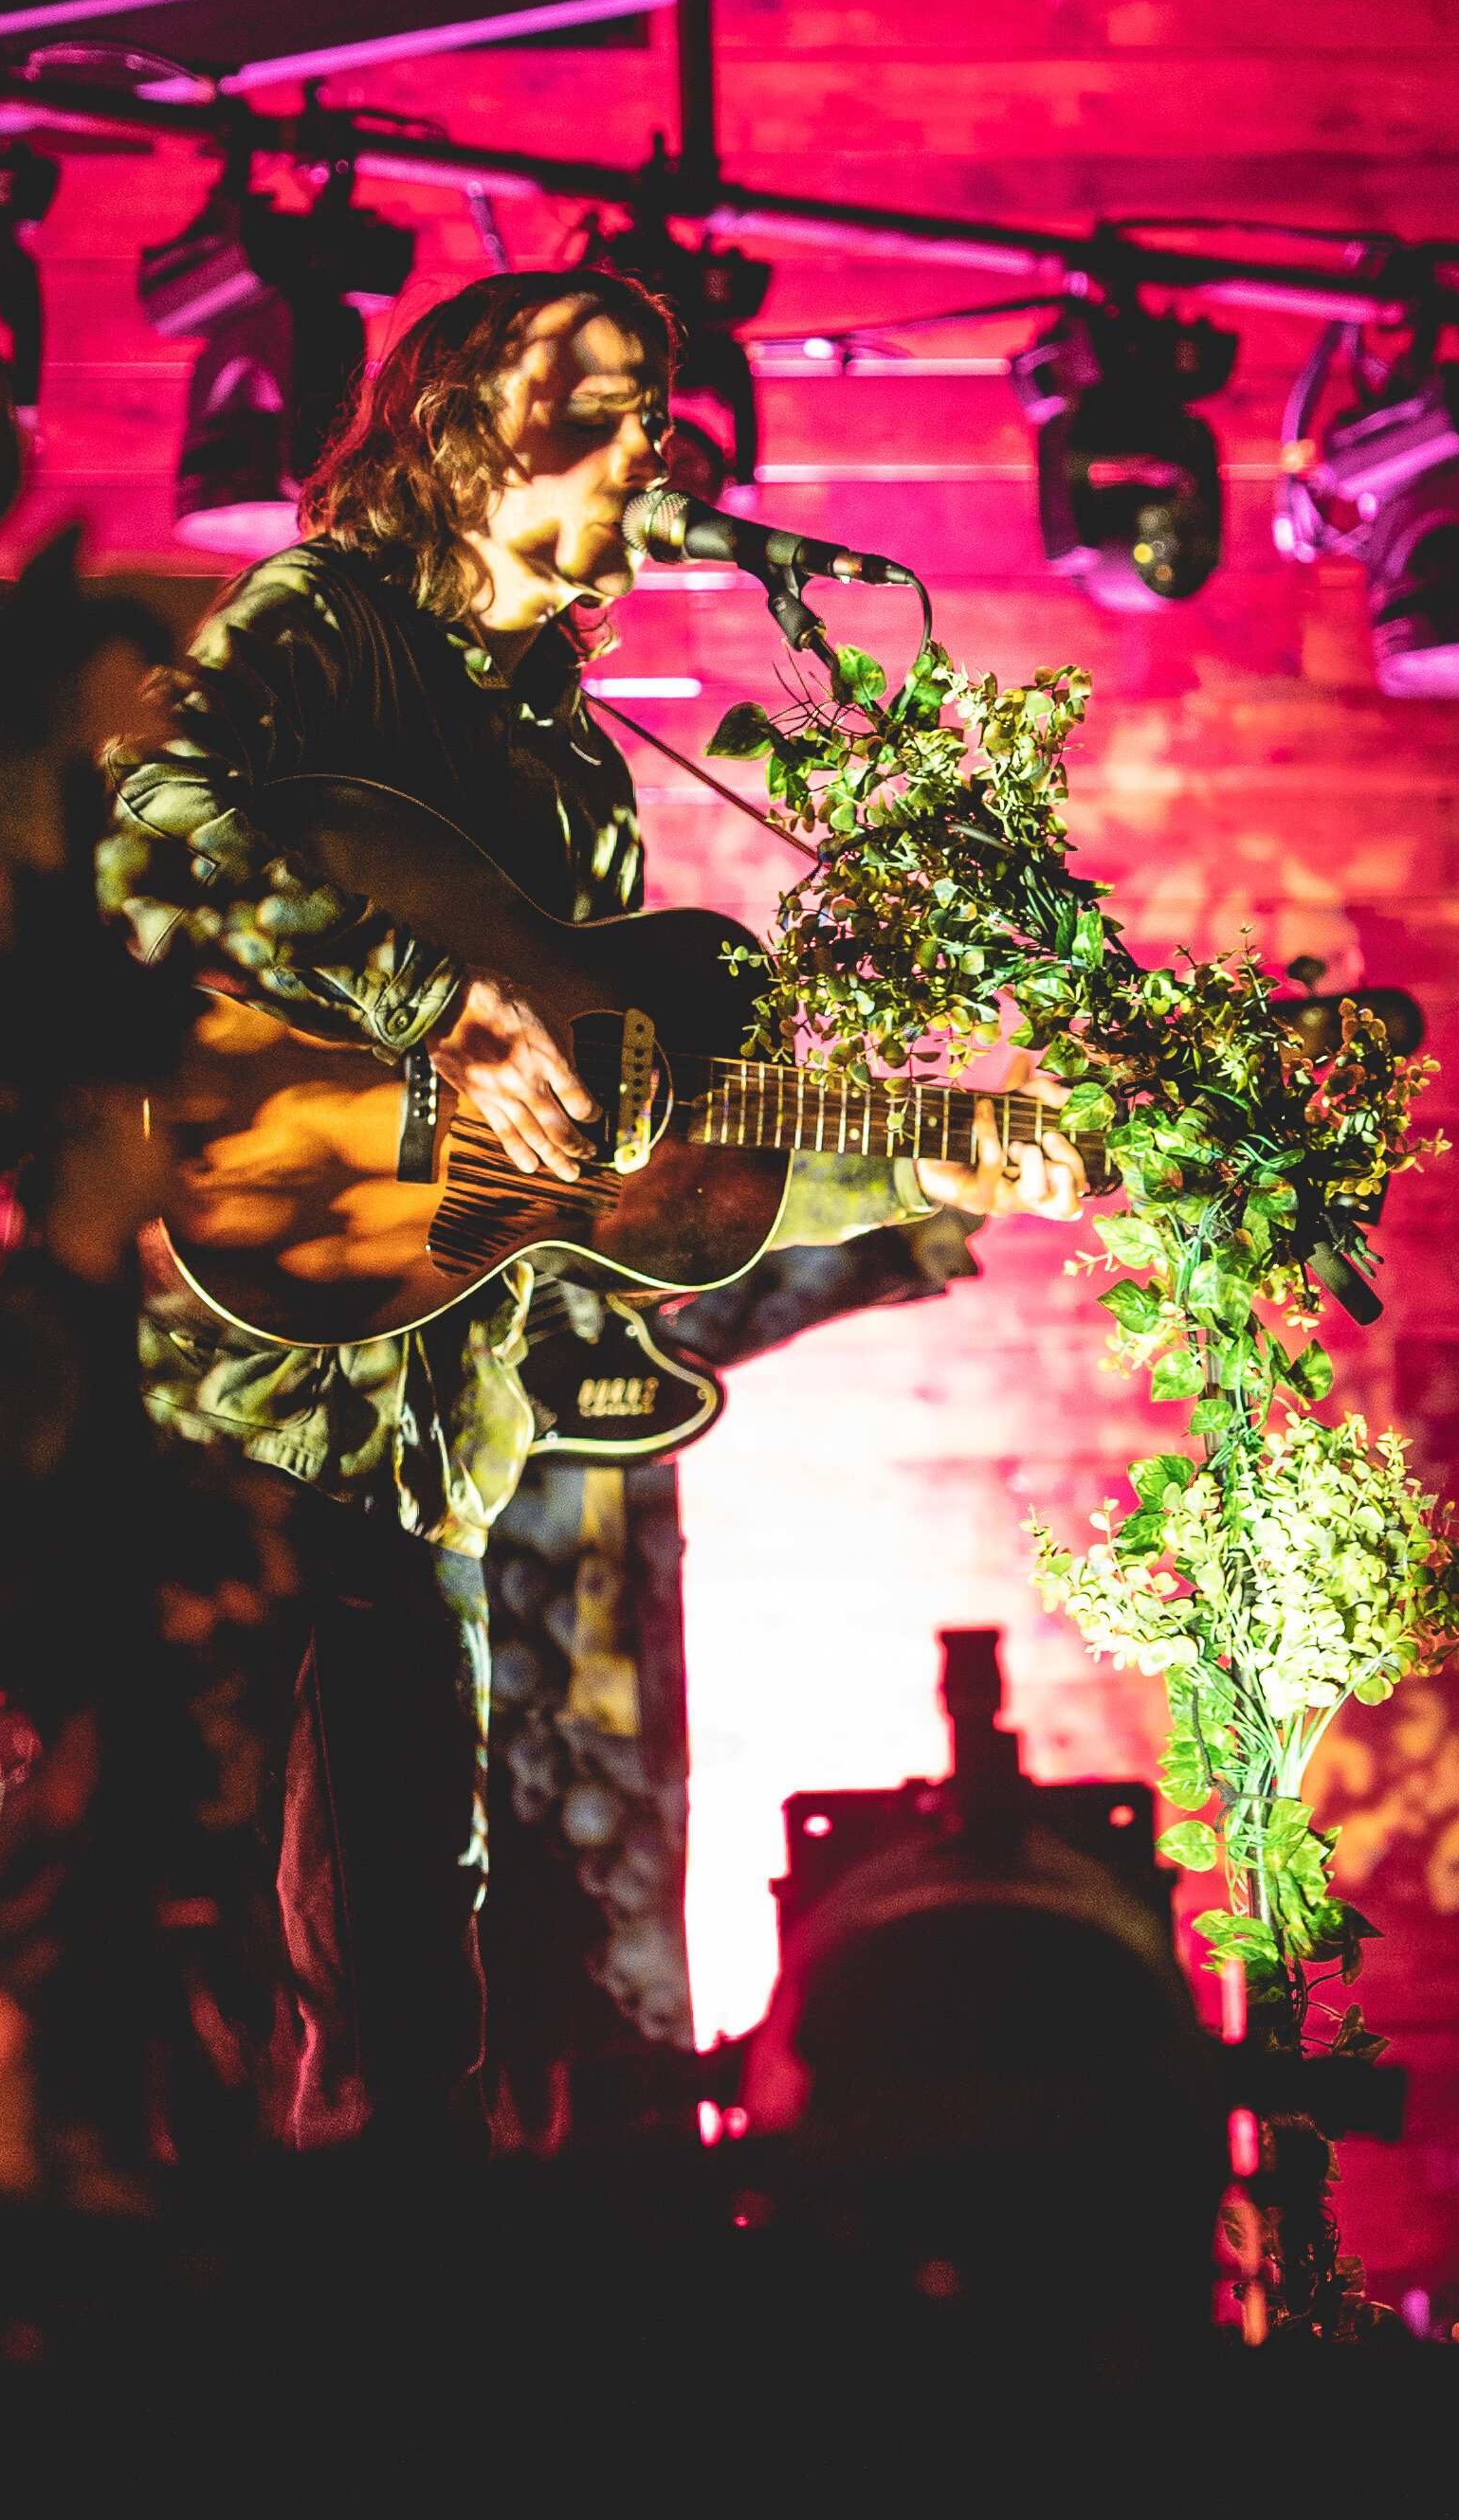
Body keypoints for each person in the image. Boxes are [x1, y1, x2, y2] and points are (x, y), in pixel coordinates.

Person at [104, 272, 1084, 2153]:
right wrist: (430, 1001)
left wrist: (919, 1162)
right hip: (226, 1398)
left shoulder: (571, 767)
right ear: (473, 423)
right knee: (183, 1992)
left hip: (422, 1451)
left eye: (653, 419)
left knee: (412, 2011)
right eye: (611, 407)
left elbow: (611, 1163)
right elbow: (156, 838)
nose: (650, 454)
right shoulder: (328, 624)